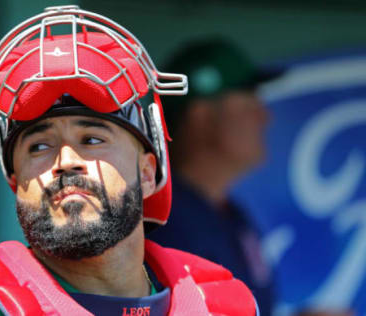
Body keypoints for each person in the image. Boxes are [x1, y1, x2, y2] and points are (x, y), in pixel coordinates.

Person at [0, 6, 258, 316]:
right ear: (15, 181)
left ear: (147, 172)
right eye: (39, 146)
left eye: (92, 140)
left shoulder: (222, 306)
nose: (66, 161)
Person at [148, 38, 354, 316]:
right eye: (248, 103)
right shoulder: (161, 220)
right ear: (202, 117)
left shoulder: (232, 214)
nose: (264, 116)